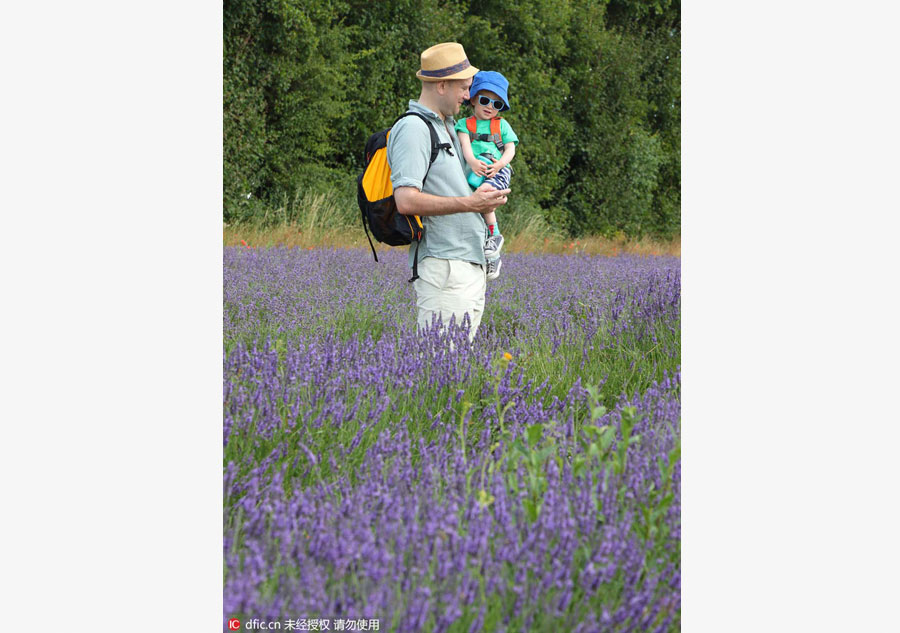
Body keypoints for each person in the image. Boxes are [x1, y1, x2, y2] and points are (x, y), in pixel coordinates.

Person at [387, 42, 510, 342]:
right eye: (464, 87)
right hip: (444, 268)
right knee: (439, 366)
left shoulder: (449, 127)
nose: (469, 96)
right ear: (441, 85)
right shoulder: (414, 129)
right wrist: (470, 203)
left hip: (466, 265)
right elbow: (405, 199)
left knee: (452, 372)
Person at [455, 71, 518, 281]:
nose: (490, 106)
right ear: (473, 99)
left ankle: (495, 236)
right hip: (475, 171)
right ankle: (492, 257)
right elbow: (465, 146)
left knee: (486, 194)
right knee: (475, 208)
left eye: (496, 104)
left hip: (496, 169)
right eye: (484, 100)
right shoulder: (465, 124)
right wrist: (472, 162)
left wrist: (500, 164)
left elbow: (511, 149)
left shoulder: (502, 125)